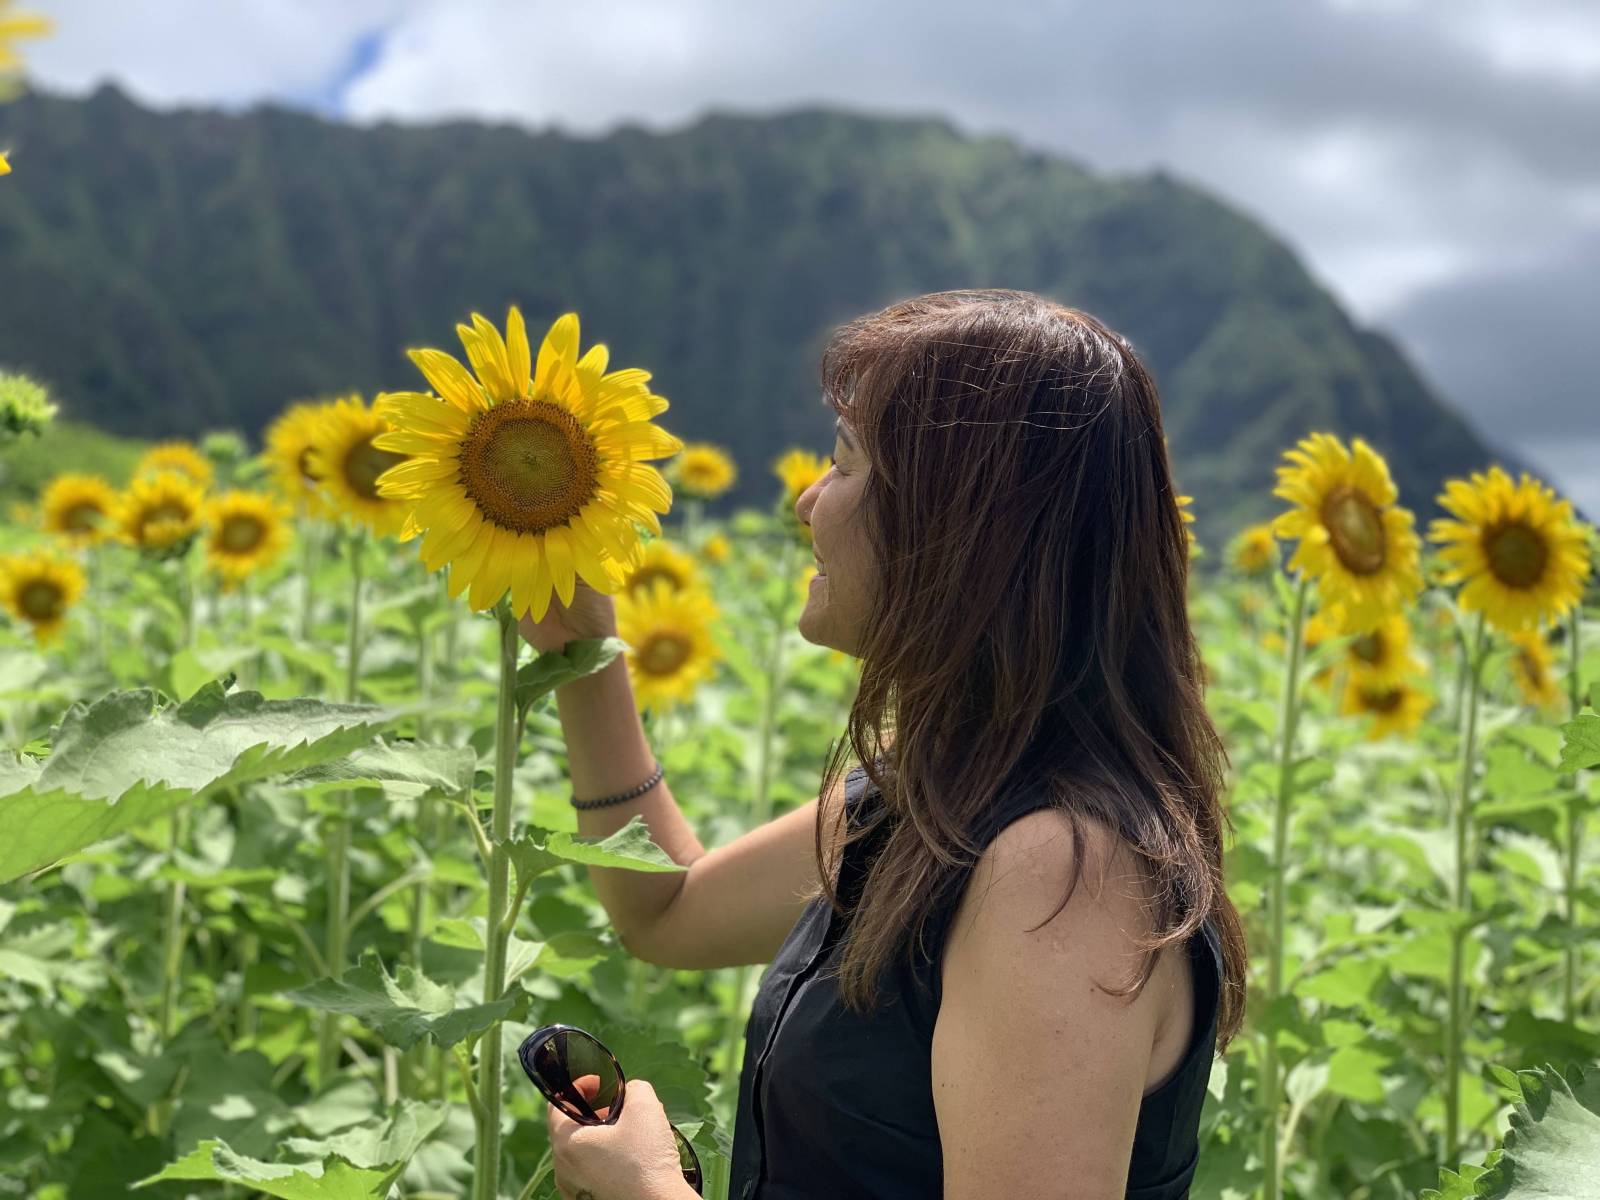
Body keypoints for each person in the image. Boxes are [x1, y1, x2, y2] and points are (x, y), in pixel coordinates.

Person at [528, 289, 1248, 1200]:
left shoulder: (1063, 877)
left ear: (961, 525)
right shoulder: (933, 795)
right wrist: (584, 651)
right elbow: (668, 911)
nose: (808, 499)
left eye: (846, 462)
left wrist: (650, 1192)